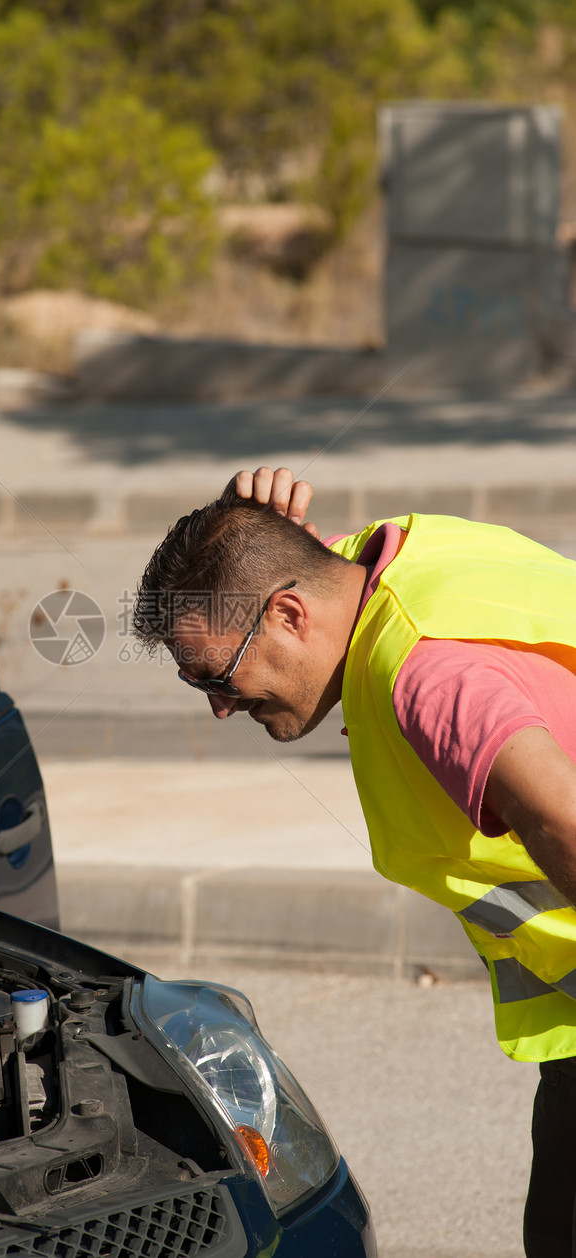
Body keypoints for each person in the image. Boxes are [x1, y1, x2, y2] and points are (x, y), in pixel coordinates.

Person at [132, 466, 576, 1258]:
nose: (218, 705)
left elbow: (559, 819)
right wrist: (249, 527)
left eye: (214, 674)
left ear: (290, 615)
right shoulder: (396, 562)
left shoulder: (428, 678)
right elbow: (290, 567)